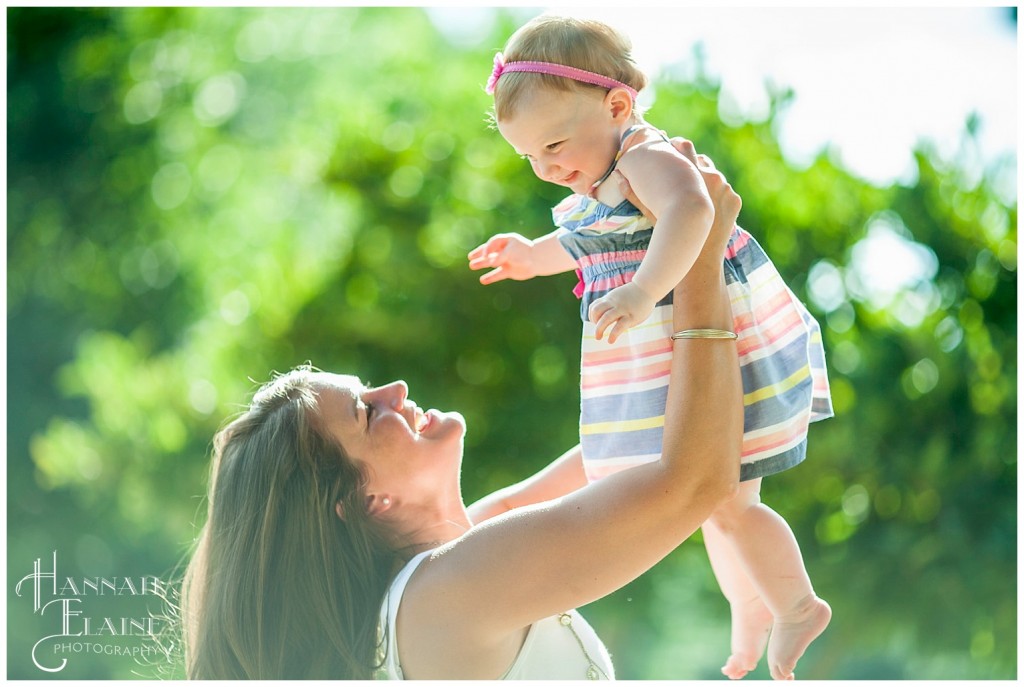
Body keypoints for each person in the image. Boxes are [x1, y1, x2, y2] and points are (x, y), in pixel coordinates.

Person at [180, 140, 744, 679]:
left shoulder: (453, 566)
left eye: (370, 390)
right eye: (368, 414)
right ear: (362, 500)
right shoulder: (452, 589)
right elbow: (693, 481)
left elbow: (631, 448)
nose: (396, 391)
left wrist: (670, 229)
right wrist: (700, 255)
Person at [467, 14, 833, 681]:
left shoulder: (643, 155)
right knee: (715, 506)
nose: (548, 168)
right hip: (672, 363)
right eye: (531, 158)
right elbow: (587, 238)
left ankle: (798, 603)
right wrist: (531, 255)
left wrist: (641, 291)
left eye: (554, 144)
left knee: (731, 502)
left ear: (617, 104)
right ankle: (753, 607)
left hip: (718, 347)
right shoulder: (603, 173)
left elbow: (694, 210)